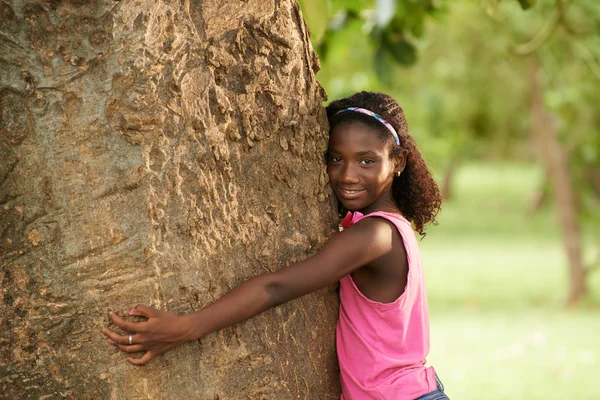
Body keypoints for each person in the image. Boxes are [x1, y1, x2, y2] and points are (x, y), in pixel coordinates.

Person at [102, 91, 448, 400]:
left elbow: (276, 287)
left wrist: (185, 328)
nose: (347, 175)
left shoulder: (374, 236)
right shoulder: (379, 228)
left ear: (397, 162)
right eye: (335, 158)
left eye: (366, 160)